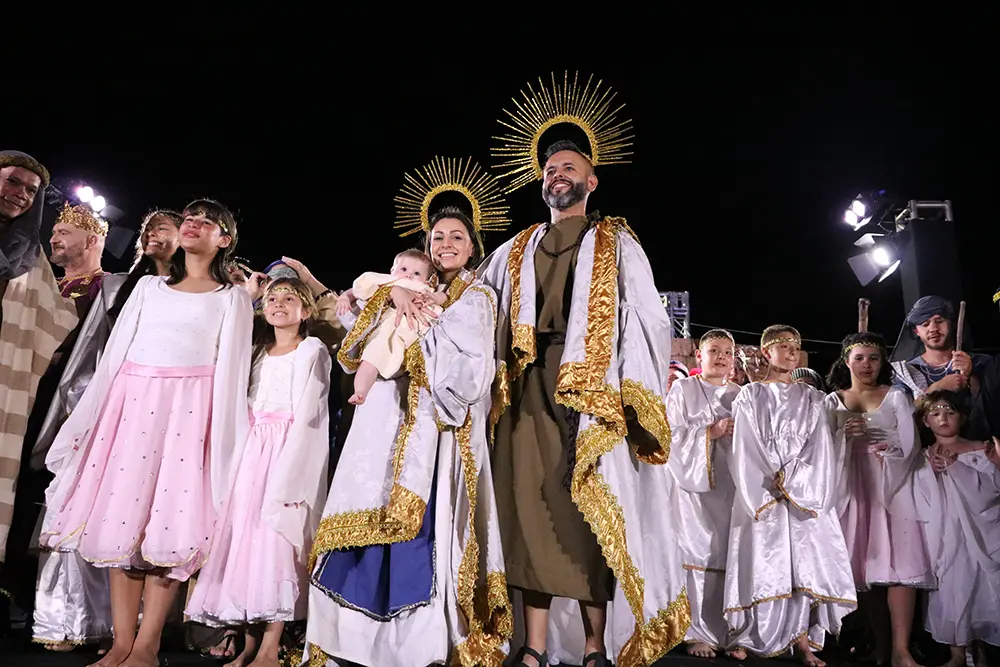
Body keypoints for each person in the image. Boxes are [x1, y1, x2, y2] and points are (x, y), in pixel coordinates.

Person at [479, 136, 686, 666]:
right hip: (525, 390)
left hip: (592, 395)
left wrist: (633, 392)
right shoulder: (514, 249)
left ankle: (596, 645)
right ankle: (534, 646)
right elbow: (475, 308)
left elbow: (645, 317)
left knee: (592, 512)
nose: (557, 175)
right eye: (550, 170)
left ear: (591, 182)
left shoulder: (615, 242)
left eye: (569, 168)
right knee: (526, 509)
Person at [39, 199, 253, 667]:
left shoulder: (231, 298)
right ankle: (121, 642)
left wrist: (222, 443)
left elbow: (232, 373)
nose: (193, 224)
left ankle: (148, 645)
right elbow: (115, 356)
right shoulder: (150, 289)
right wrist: (94, 419)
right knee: (123, 525)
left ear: (225, 240)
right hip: (134, 407)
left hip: (188, 413)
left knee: (168, 527)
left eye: (208, 222)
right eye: (189, 218)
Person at [304, 203, 510, 667]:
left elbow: (472, 367)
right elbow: (357, 323)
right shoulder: (403, 282)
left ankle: (416, 641)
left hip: (438, 426)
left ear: (473, 246)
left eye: (457, 237)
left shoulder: (476, 295)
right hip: (384, 412)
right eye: (438, 237)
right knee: (368, 505)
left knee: (423, 524)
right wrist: (393, 296)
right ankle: (350, 636)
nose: (446, 245)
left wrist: (420, 341)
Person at [187, 277, 331, 667]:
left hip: (286, 451)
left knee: (275, 543)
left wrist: (293, 470)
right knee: (246, 541)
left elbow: (310, 414)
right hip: (251, 452)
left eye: (289, 299)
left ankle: (271, 647)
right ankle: (249, 645)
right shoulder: (256, 352)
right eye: (272, 299)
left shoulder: (312, 350)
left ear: (305, 310)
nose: (279, 304)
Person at [724, 325, 856, 666]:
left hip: (800, 492)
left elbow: (819, 445)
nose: (790, 353)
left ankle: (802, 642)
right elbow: (745, 446)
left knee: (803, 566)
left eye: (795, 347)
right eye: (782, 347)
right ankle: (749, 634)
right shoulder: (750, 396)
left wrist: (796, 478)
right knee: (763, 561)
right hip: (764, 492)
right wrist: (770, 481)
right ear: (767, 352)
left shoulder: (811, 398)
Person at [825, 332, 934, 667]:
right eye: (859, 357)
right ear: (847, 360)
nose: (867, 364)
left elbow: (911, 445)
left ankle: (902, 649)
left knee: (900, 568)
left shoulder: (897, 396)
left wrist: (892, 453)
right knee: (866, 568)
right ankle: (880, 646)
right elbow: (820, 449)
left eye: (873, 357)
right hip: (852, 488)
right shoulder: (831, 401)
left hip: (893, 487)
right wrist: (843, 437)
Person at [0, 150, 78, 596]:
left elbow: (57, 320)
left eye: (31, 190)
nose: (21, 196)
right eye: (13, 182)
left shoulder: (31, 256)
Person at [665, 330, 744, 659]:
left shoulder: (743, 394)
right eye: (714, 351)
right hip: (693, 491)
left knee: (730, 554)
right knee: (698, 553)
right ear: (699, 356)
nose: (722, 357)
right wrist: (708, 433)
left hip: (732, 487)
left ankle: (731, 631)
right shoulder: (684, 389)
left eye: (728, 351)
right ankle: (696, 631)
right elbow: (668, 435)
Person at [916, 391, 999, 667]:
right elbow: (918, 496)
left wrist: (956, 467)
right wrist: (932, 471)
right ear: (926, 421)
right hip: (945, 534)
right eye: (936, 413)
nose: (943, 419)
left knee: (981, 587)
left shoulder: (982, 449)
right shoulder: (924, 456)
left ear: (962, 417)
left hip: (980, 532)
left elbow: (991, 492)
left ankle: (982, 651)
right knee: (952, 586)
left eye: (950, 412)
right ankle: (957, 654)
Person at [335, 249, 446, 405]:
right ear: (392, 270)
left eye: (416, 273)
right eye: (404, 269)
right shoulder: (388, 282)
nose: (408, 275)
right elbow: (359, 287)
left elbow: (443, 296)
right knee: (371, 358)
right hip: (389, 327)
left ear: (427, 280)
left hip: (417, 330)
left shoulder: (425, 290)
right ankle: (360, 391)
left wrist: (435, 297)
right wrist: (344, 297)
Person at [890, 296, 991, 440]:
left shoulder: (981, 363)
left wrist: (971, 377)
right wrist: (935, 389)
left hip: (978, 449)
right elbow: (898, 419)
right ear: (916, 331)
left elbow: (992, 408)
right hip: (926, 453)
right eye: (925, 324)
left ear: (952, 324)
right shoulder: (905, 372)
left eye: (939, 321)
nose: (933, 329)